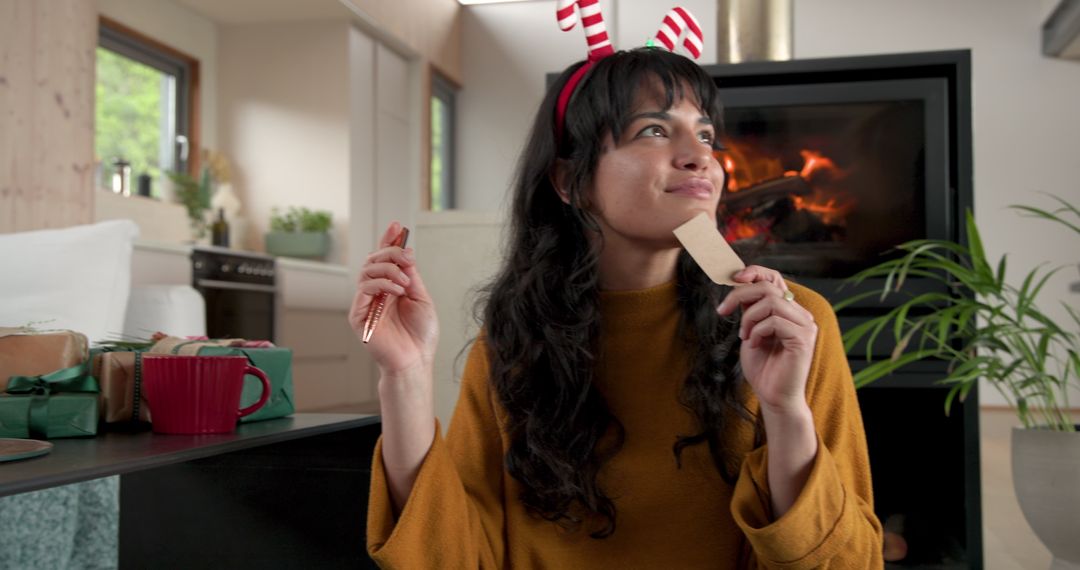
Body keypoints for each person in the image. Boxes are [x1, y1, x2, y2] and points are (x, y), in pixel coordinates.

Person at [349, 46, 883, 568]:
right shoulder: (515, 337)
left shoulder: (786, 323)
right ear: (569, 181)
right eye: (653, 129)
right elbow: (452, 557)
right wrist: (407, 374)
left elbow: (851, 562)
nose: (703, 157)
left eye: (705, 134)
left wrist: (786, 411)